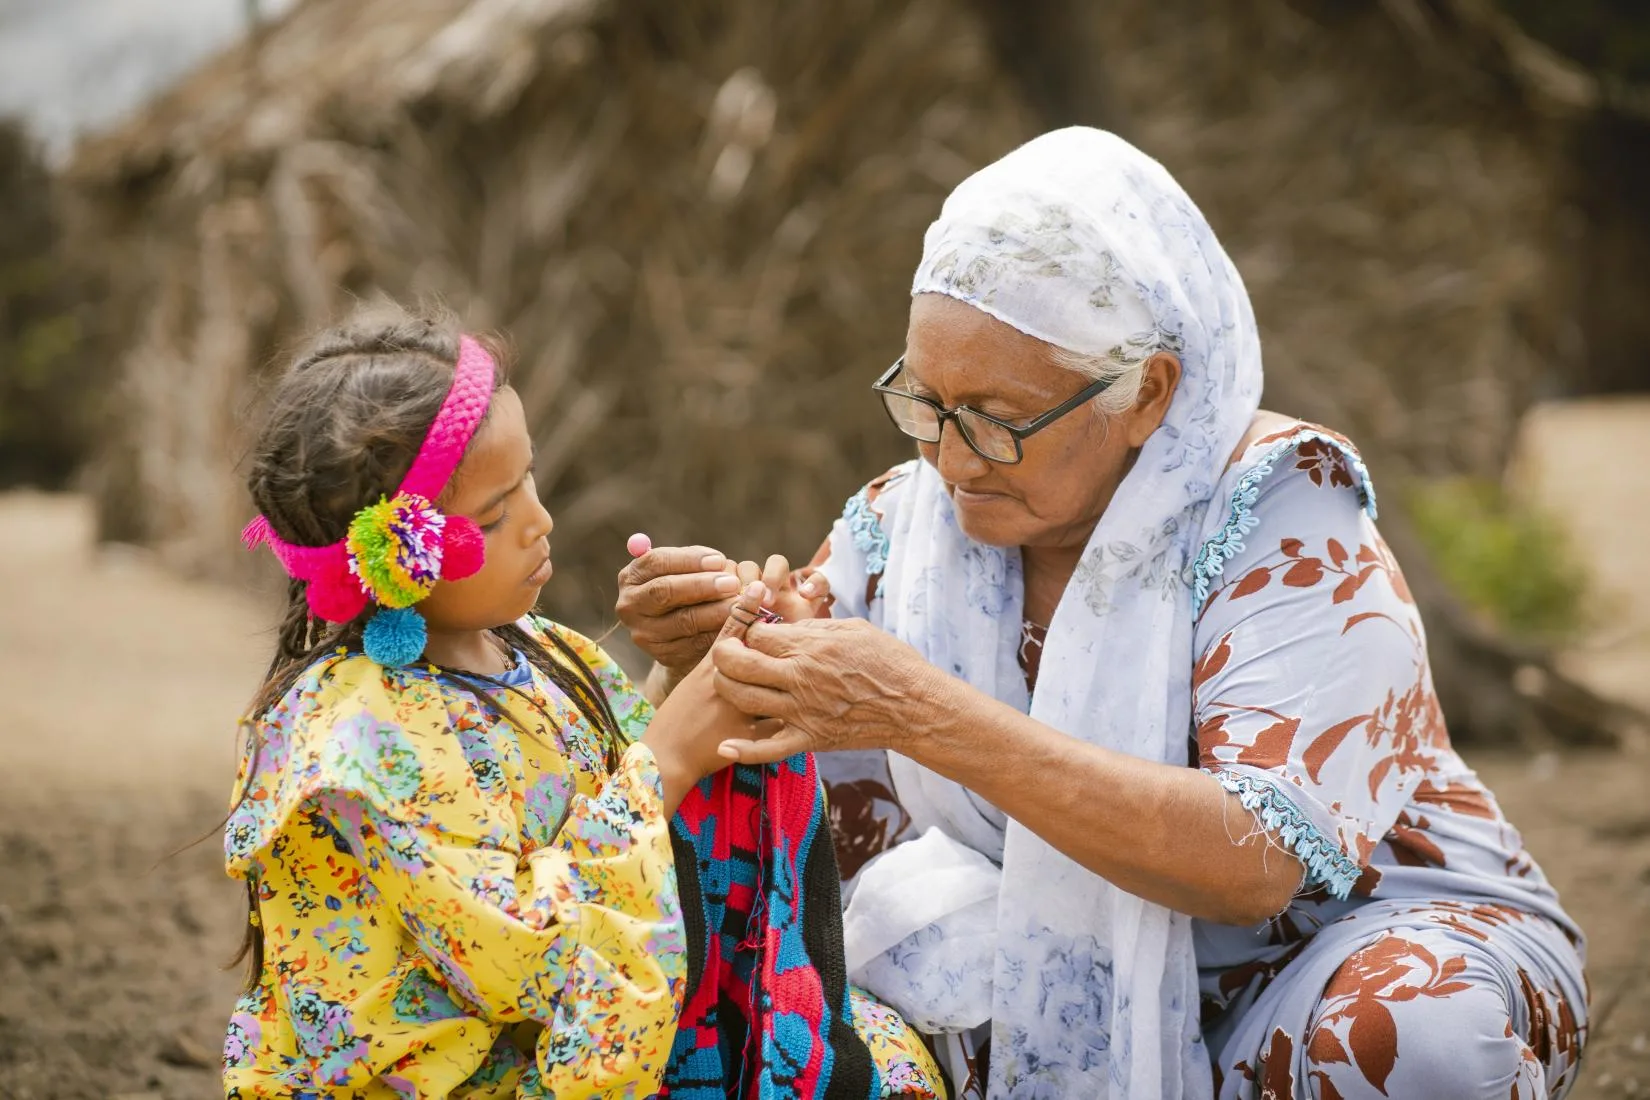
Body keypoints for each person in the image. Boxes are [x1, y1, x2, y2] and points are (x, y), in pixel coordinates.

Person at [616, 129, 1587, 1099]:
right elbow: (745, 769)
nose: (952, 460)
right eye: (926, 403)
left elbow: (1253, 867)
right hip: (1022, 982)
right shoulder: (901, 526)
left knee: (1412, 1043)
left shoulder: (1282, 517)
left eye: (996, 418)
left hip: (1315, 960)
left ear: (1145, 393)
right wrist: (713, 650)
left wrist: (922, 713)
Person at [222, 305, 943, 1098]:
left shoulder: (536, 648)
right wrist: (673, 752)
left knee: (886, 1050)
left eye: (527, 478)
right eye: (496, 514)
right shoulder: (357, 743)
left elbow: (609, 778)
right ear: (398, 554)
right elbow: (526, 951)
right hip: (485, 1072)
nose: (541, 521)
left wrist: (712, 666)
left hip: (585, 1026)